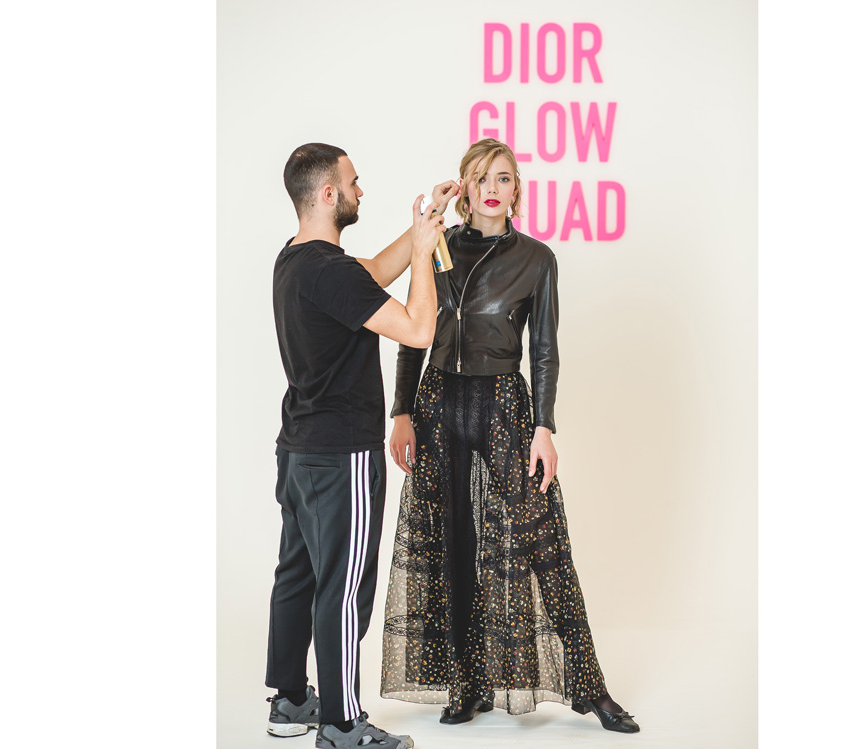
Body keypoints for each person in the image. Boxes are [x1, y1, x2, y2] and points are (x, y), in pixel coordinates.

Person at [380, 138, 639, 734]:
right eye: (480, 178)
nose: (492, 188)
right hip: (439, 405)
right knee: (453, 547)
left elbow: (544, 350)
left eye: (503, 177)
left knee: (543, 546)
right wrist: (401, 412)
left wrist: (543, 426)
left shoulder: (536, 259)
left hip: (502, 406)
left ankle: (590, 688)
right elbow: (414, 333)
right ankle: (466, 682)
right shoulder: (436, 245)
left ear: (516, 188)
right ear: (464, 189)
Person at [265, 142, 458, 749]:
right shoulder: (331, 272)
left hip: (299, 450)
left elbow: (369, 273)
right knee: (344, 590)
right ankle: (342, 724)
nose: (360, 190)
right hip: (340, 454)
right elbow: (419, 329)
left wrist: (422, 227)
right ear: (328, 195)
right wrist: (424, 256)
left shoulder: (298, 260)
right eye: (353, 182)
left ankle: (290, 700)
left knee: (298, 575)